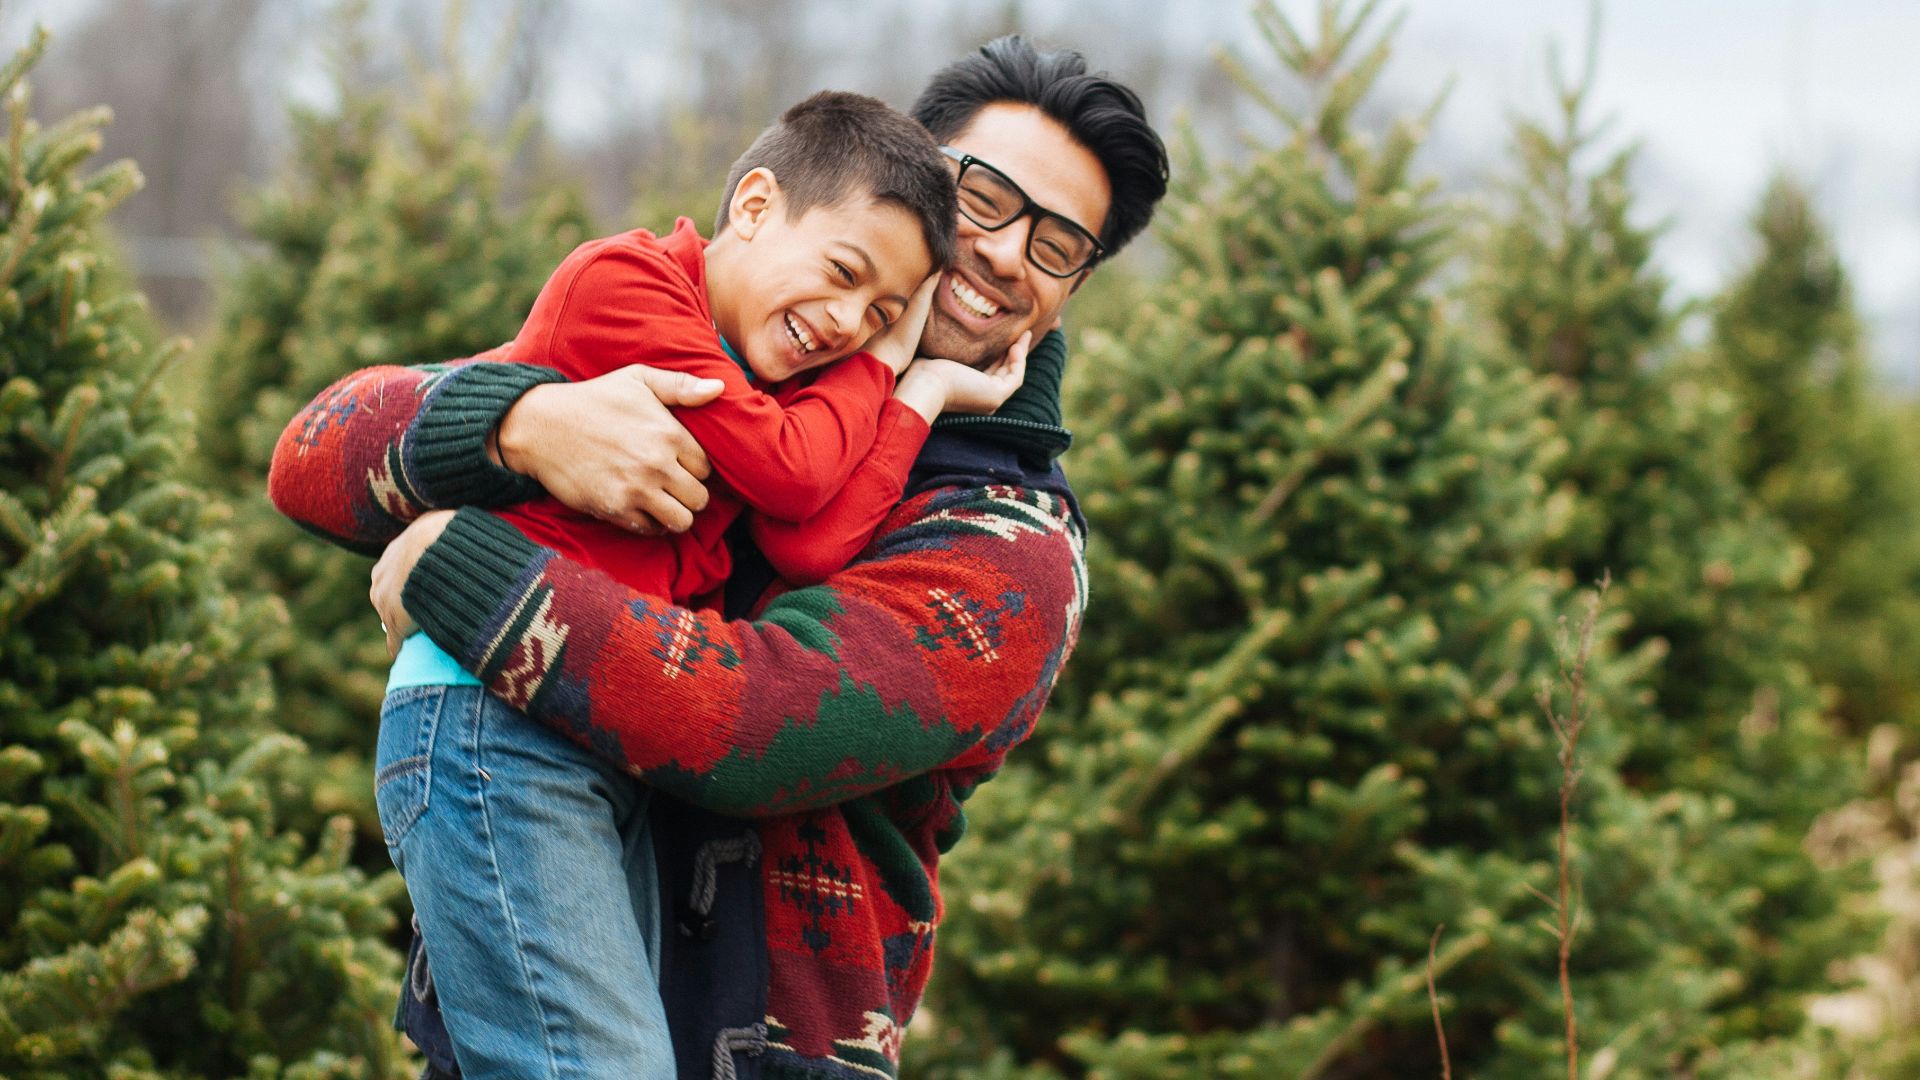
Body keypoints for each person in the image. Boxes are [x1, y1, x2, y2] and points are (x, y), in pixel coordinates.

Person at [269, 35, 1168, 1080]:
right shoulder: (736, 346)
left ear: (1073, 287)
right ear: (915, 171)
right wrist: (519, 429)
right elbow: (314, 450)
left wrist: (456, 563)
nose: (1009, 254)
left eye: (1059, 245)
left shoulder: (1011, 546)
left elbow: (752, 725)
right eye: (988, 199)